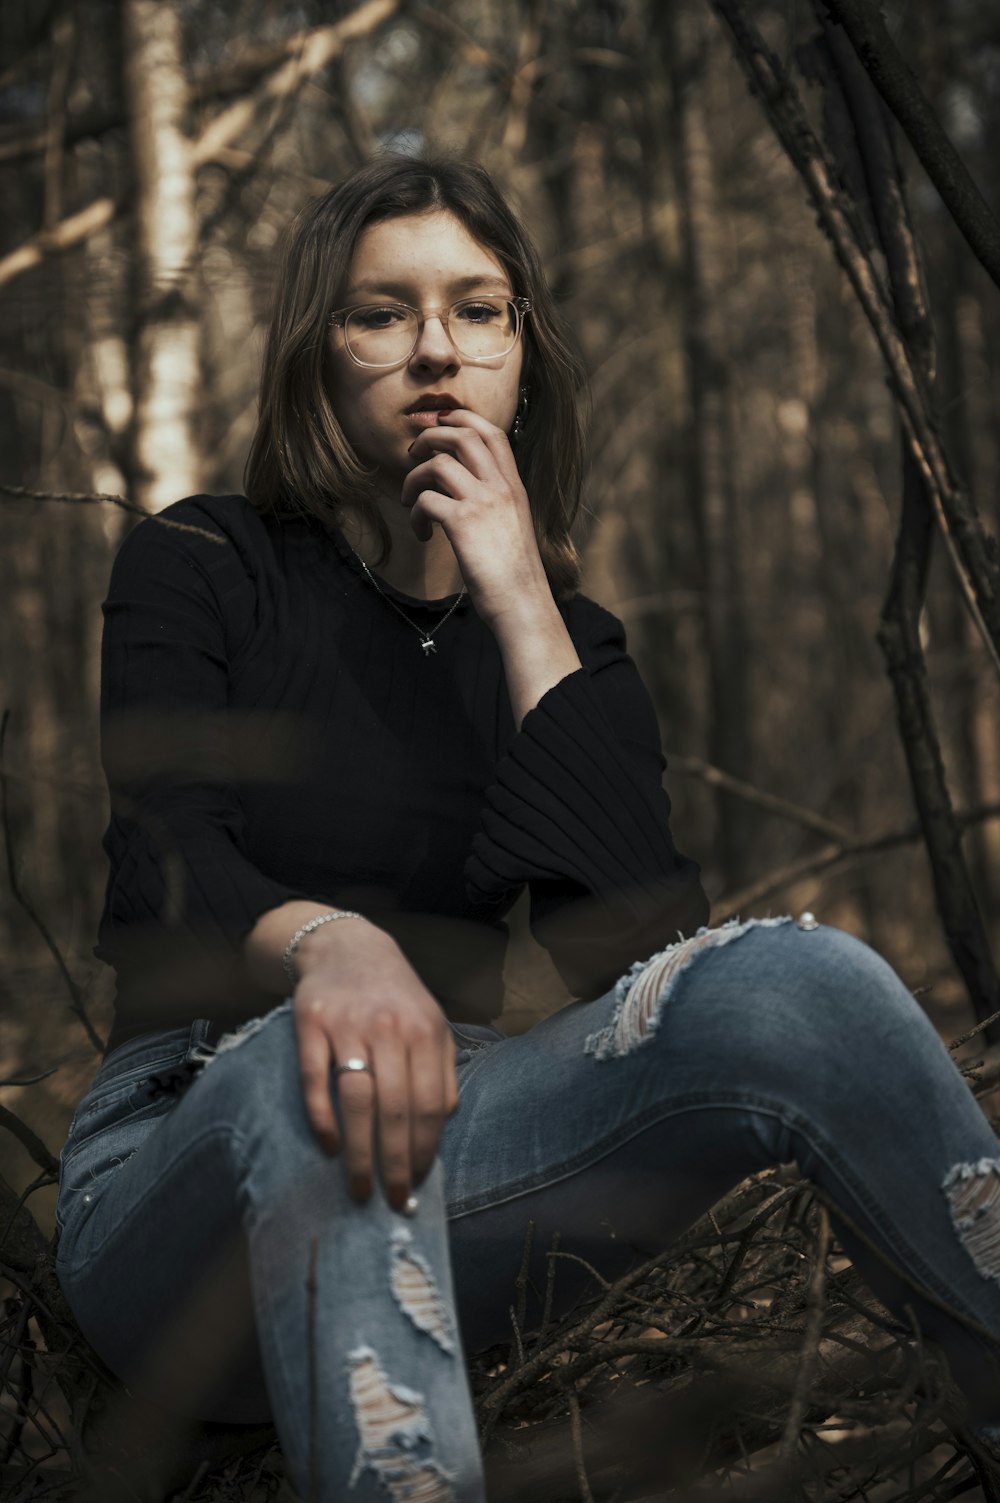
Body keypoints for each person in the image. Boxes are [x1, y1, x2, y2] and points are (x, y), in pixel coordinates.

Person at [55, 154, 1000, 1501]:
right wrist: (333, 949)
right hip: (182, 1172)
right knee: (329, 1071)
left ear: (522, 352)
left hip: (470, 1150)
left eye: (479, 310)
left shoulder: (564, 638)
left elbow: (640, 944)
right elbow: (163, 859)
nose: (437, 349)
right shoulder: (203, 565)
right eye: (382, 312)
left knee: (803, 980)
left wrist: (520, 595)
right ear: (318, 353)